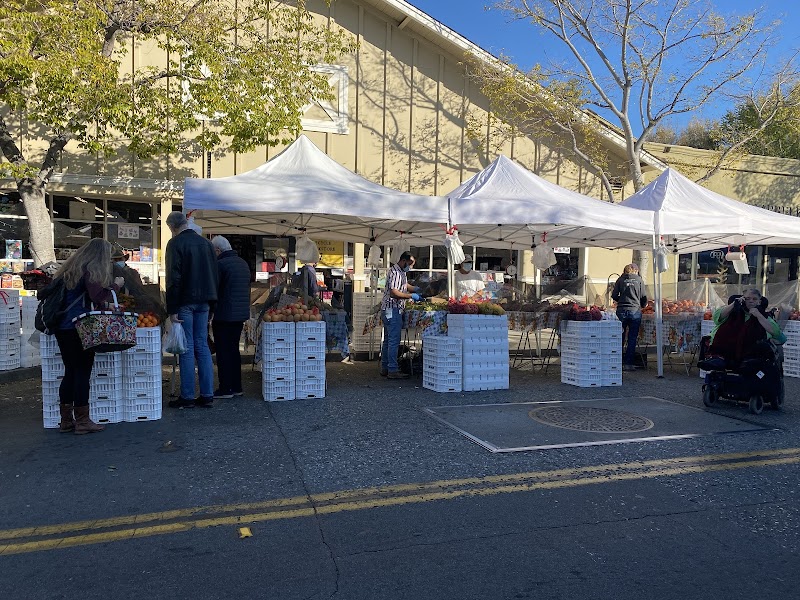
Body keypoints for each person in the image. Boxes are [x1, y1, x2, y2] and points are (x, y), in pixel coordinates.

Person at [53, 239, 125, 434]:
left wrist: (106, 305)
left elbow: (83, 298)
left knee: (70, 371)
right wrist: (116, 286)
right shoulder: (91, 269)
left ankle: (66, 420)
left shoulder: (71, 269)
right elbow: (97, 296)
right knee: (82, 372)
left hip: (63, 327)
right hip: (81, 326)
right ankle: (83, 421)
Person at [165, 211, 219, 408]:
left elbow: (174, 277)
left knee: (186, 348)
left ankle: (187, 396)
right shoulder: (206, 244)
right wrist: (213, 305)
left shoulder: (175, 244)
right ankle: (207, 395)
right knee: (202, 346)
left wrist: (172, 308)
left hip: (185, 300)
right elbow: (214, 275)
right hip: (205, 301)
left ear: (171, 227)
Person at [210, 236, 251, 399]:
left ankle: (225, 388)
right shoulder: (243, 263)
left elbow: (214, 290)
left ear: (218, 250)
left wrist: (210, 312)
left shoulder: (220, 265)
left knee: (223, 352)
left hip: (224, 314)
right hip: (240, 315)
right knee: (234, 350)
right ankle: (237, 386)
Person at [703, 289, 786, 369]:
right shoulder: (731, 313)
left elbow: (777, 334)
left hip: (750, 356)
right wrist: (734, 304)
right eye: (747, 298)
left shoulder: (764, 316)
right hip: (724, 353)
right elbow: (717, 317)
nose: (751, 301)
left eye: (754, 299)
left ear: (759, 302)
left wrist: (758, 315)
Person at [380, 252, 421, 379]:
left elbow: (403, 285)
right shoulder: (395, 272)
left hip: (389, 310)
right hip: (393, 309)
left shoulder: (400, 272)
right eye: (409, 264)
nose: (410, 267)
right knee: (393, 341)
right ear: (403, 261)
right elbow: (394, 292)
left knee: (388, 340)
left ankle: (385, 367)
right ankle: (392, 370)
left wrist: (414, 288)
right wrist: (410, 296)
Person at [612, 263, 647, 371]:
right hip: (635, 311)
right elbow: (643, 297)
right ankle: (629, 364)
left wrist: (621, 301)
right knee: (632, 338)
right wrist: (642, 305)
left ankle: (617, 362)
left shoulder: (620, 280)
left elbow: (614, 295)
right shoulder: (639, 280)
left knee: (619, 337)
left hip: (621, 311)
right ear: (636, 271)